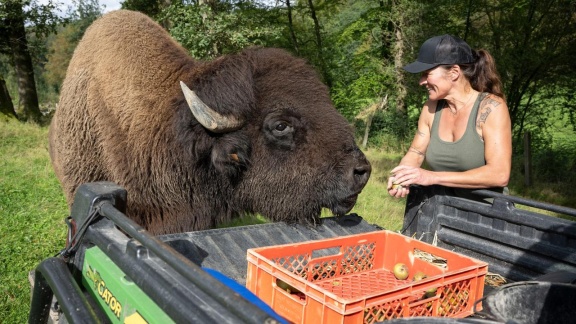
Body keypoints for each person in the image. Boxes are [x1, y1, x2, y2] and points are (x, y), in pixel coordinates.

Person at [388, 34, 511, 200]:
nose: (421, 82)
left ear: (454, 72)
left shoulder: (491, 107)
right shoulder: (431, 107)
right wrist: (402, 176)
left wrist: (432, 177)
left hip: (487, 216)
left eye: (427, 74)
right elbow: (416, 152)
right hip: (441, 210)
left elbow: (499, 174)